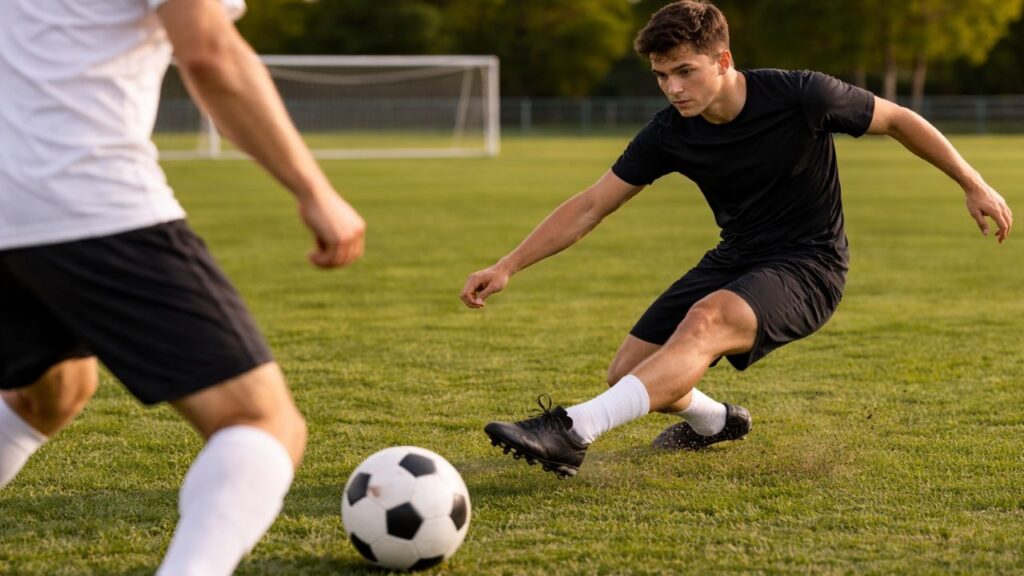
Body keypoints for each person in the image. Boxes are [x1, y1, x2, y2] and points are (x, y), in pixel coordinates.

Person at [460, 0, 1012, 479]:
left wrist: (973, 183)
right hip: (736, 256)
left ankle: (572, 430)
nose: (673, 88)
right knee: (630, 374)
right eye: (661, 75)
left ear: (723, 61)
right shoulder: (670, 131)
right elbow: (590, 206)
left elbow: (897, 119)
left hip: (810, 264)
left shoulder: (802, 95)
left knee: (705, 320)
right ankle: (716, 422)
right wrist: (509, 264)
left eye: (685, 71)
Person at [0, 0, 365, 573]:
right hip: (83, 195)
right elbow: (210, 53)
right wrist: (314, 190)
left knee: (51, 388)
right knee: (260, 420)